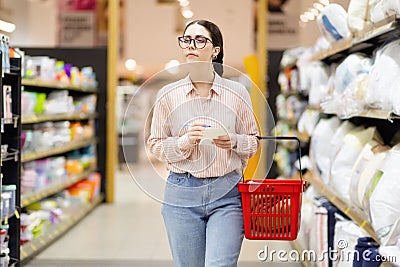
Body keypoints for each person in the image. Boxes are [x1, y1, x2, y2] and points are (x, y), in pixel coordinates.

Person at [147, 19, 259, 267]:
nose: (191, 45)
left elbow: (253, 142)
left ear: (215, 49)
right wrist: (184, 143)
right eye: (186, 40)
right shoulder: (167, 94)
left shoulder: (237, 92)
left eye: (200, 40)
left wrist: (232, 141)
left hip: (228, 193)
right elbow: (155, 145)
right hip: (181, 193)